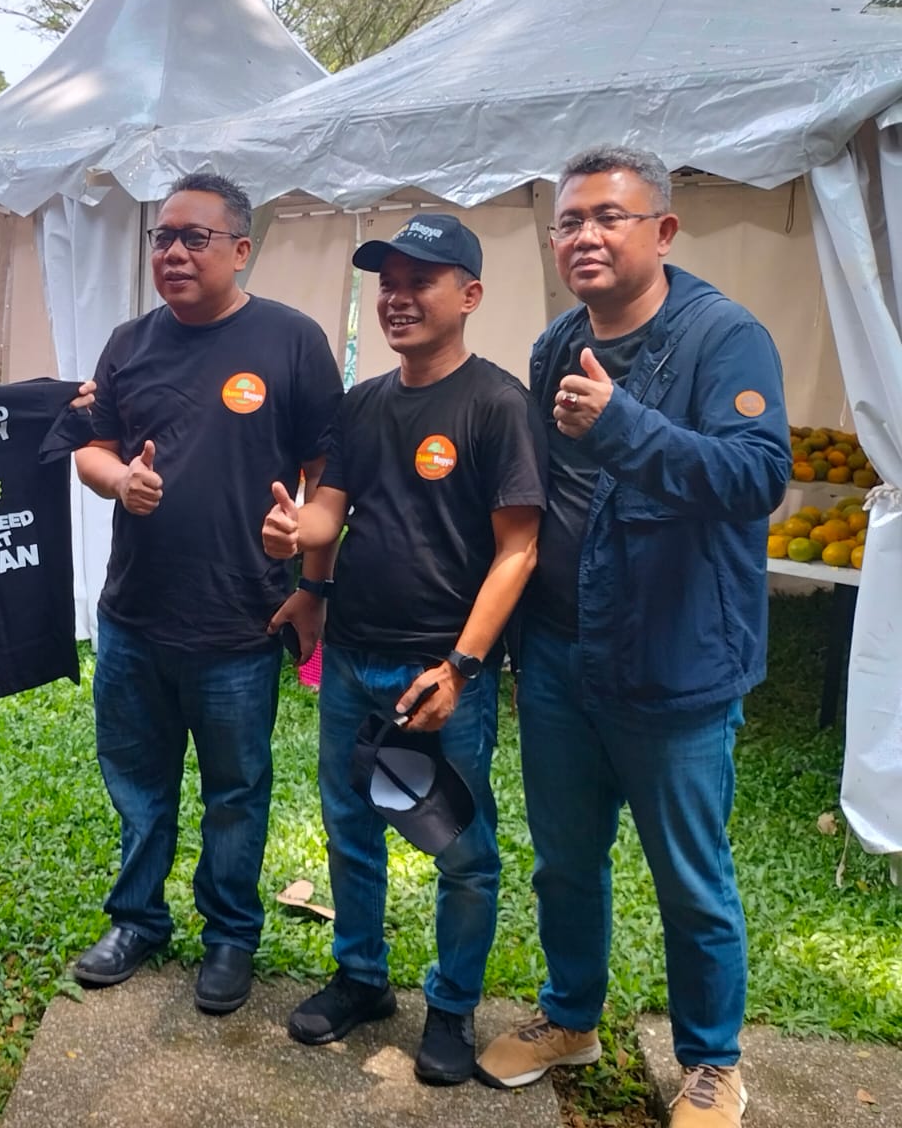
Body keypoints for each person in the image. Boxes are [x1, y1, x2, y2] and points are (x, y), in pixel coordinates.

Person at [475, 146, 789, 1128]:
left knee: (689, 879)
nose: (584, 236)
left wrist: (623, 428)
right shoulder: (553, 342)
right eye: (568, 221)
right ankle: (571, 1016)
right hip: (563, 659)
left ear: (661, 230)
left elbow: (754, 479)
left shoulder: (723, 339)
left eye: (608, 217)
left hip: (675, 666)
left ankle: (710, 1061)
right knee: (564, 861)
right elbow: (541, 492)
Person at [261, 213, 546, 1084]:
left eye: (420, 280)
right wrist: (292, 545)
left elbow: (519, 549)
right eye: (386, 282)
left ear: (469, 295)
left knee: (460, 848)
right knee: (352, 829)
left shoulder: (498, 404)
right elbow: (328, 514)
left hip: (437, 671)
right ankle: (361, 978)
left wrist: (462, 667)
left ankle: (452, 1009)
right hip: (353, 657)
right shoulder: (362, 403)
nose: (398, 297)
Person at [70, 172, 343, 1015]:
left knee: (235, 792)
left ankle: (229, 935)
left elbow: (329, 477)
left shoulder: (292, 342)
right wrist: (121, 482)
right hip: (134, 617)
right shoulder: (128, 342)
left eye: (195, 237)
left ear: (240, 249)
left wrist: (307, 559)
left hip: (240, 621)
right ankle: (136, 920)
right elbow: (92, 449)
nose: (174, 252)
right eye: (162, 237)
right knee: (138, 783)